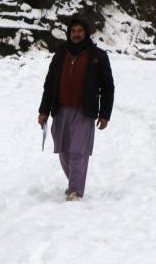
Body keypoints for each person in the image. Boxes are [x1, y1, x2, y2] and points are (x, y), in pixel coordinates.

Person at [37, 17, 115, 201]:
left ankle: (76, 191)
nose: (76, 34)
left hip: (84, 111)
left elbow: (108, 87)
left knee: (78, 150)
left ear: (86, 33)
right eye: (73, 31)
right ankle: (74, 182)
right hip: (61, 109)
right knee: (63, 150)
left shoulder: (98, 56)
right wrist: (43, 111)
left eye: (80, 31)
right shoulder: (60, 55)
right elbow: (49, 85)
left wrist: (104, 114)